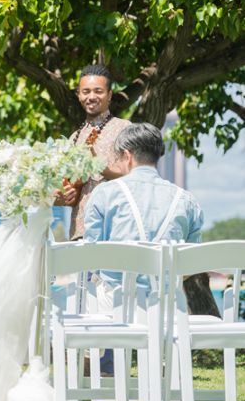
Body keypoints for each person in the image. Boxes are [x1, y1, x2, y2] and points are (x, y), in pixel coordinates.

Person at [85, 122, 204, 267]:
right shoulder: (187, 200)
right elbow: (190, 265)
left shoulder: (104, 193)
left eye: (117, 158)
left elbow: (91, 256)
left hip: (115, 288)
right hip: (167, 289)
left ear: (127, 156)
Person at [54, 65, 129, 239]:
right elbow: (71, 192)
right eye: (86, 91)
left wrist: (99, 164)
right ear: (78, 95)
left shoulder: (124, 128)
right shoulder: (74, 137)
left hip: (114, 230)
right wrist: (65, 196)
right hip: (79, 233)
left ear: (109, 95)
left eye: (98, 91)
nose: (91, 97)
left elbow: (134, 177)